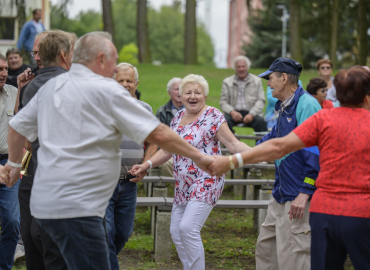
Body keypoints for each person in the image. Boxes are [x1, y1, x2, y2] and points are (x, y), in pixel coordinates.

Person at [0, 31, 214, 270]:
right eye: (114, 60)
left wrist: (14, 164)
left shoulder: (54, 86)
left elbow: (17, 127)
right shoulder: (104, 90)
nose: (116, 69)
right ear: (101, 58)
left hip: (46, 207)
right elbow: (159, 134)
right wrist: (200, 157)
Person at [209, 66, 370, 270]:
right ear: (366, 95)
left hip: (324, 211)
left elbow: (279, 146)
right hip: (359, 212)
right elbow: (276, 142)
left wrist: (231, 161)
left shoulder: (322, 119)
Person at [131, 74, 251, 270]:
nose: (193, 96)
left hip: (207, 180)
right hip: (183, 184)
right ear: (181, 95)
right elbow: (167, 150)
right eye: (188, 92)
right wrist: (147, 164)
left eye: (198, 92)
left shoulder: (213, 115)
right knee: (176, 232)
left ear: (205, 95)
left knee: (187, 229)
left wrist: (259, 153)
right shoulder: (178, 117)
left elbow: (233, 143)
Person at [218, 58, 321, 269]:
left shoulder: (307, 105)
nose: (268, 84)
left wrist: (305, 192)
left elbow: (316, 154)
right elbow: (268, 143)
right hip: (281, 193)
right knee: (266, 251)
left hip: (298, 196)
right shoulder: (284, 106)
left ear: (284, 78)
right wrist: (233, 151)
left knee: (293, 257)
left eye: (270, 78)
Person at [17, 30, 77, 270]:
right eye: (35, 52)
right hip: (31, 170)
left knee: (43, 234)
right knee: (31, 236)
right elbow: (20, 131)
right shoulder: (33, 84)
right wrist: (21, 89)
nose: (38, 57)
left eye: (42, 52)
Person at [106, 62, 157, 270]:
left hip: (129, 182)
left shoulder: (145, 109)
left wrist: (145, 164)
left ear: (136, 83)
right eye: (121, 81)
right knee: (106, 232)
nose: (125, 84)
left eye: (129, 81)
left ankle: (100, 262)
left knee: (123, 233)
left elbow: (154, 140)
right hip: (104, 182)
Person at [0, 53, 20, 270]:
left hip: (9, 166)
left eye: (5, 69)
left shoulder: (13, 92)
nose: (4, 73)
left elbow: (23, 122)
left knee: (13, 222)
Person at [220, 55, 267, 132]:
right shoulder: (227, 82)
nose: (241, 69)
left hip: (252, 112)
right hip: (233, 112)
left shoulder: (257, 81)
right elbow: (223, 102)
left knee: (261, 123)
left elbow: (261, 100)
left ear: (247, 67)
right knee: (223, 122)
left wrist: (252, 114)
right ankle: (228, 144)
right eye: (238, 67)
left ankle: (261, 144)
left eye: (243, 66)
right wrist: (232, 112)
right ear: (235, 68)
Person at [155, 77, 183, 176]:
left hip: (190, 150)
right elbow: (159, 137)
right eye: (176, 89)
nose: (179, 92)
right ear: (169, 92)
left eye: (182, 88)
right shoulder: (162, 112)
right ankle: (181, 189)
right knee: (166, 164)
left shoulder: (194, 109)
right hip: (170, 151)